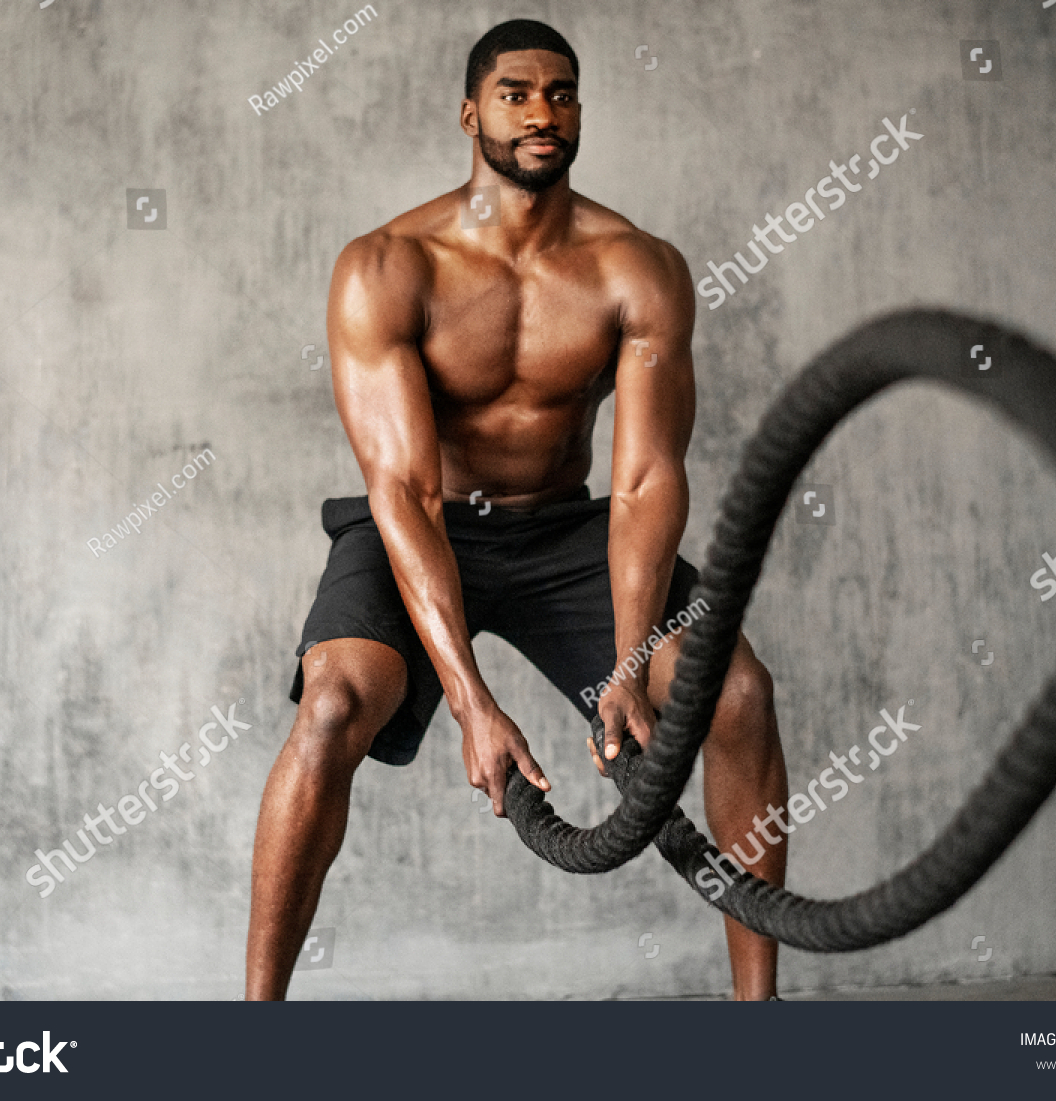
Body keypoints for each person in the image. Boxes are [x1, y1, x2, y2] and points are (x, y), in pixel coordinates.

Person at [247, 18, 788, 1000]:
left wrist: (627, 663)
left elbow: (646, 480)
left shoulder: (637, 268)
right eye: (516, 93)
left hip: (568, 530)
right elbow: (403, 489)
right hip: (422, 524)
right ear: (470, 113)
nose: (543, 112)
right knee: (331, 708)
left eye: (563, 92)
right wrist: (470, 703)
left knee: (739, 695)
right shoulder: (387, 265)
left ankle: (761, 1016)